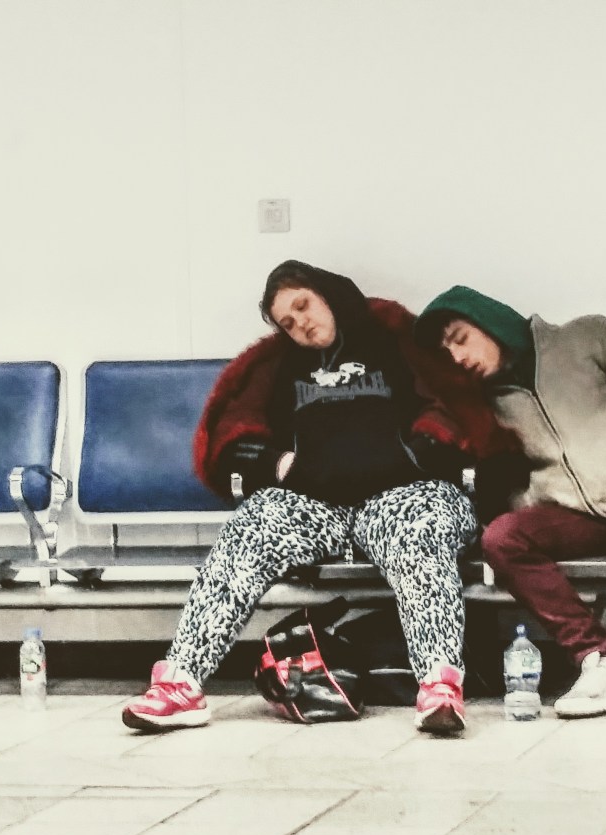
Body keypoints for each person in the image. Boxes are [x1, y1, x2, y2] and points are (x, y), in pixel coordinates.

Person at [121, 261, 503, 735]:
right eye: (287, 321)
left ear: (329, 296)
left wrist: (415, 452)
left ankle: (439, 687)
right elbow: (237, 433)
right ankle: (180, 684)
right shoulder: (278, 367)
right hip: (316, 502)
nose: (299, 322)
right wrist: (279, 464)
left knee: (419, 532)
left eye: (303, 305)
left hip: (401, 494)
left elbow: (454, 408)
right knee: (251, 526)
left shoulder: (394, 340)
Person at [415, 286, 606, 721]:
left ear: (488, 320)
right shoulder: (485, 403)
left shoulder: (586, 336)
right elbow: (506, 476)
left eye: (460, 338)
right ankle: (602, 661)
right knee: (502, 539)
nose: (458, 357)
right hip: (584, 511)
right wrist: (536, 496)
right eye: (448, 352)